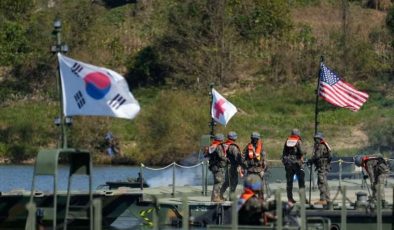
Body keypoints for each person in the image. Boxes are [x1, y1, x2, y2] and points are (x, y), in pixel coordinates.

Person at [281, 128, 306, 203]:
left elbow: (284, 152)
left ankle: (290, 199)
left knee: (289, 181)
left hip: (288, 164)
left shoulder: (287, 140)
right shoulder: (298, 141)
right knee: (301, 181)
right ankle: (302, 198)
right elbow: (302, 151)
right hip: (296, 163)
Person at [309, 132, 332, 205]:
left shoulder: (321, 146)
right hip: (323, 166)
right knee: (323, 182)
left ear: (320, 139)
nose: (315, 140)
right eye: (315, 139)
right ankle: (326, 198)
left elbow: (317, 155)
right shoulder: (323, 145)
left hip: (322, 166)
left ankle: (324, 199)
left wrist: (311, 160)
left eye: (317, 139)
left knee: (322, 182)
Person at [205, 133, 228, 202]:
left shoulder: (213, 145)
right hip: (218, 167)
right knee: (219, 182)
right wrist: (228, 160)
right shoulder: (218, 146)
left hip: (214, 166)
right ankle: (215, 198)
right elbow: (221, 156)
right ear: (220, 139)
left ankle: (217, 197)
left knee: (218, 181)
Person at [220, 131, 242, 200]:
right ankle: (231, 197)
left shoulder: (224, 144)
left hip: (226, 165)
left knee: (227, 182)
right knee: (234, 182)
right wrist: (241, 163)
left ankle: (220, 194)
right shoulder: (233, 147)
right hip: (233, 166)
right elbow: (237, 157)